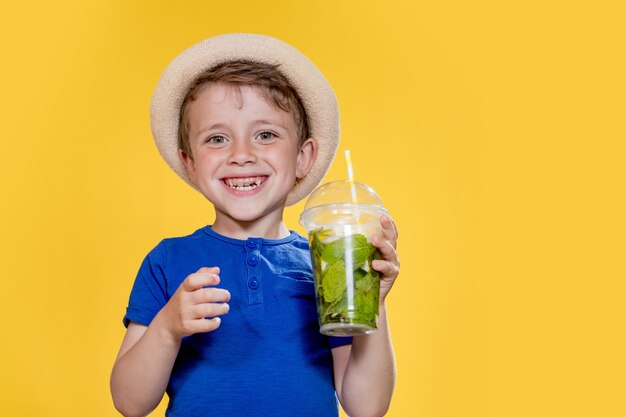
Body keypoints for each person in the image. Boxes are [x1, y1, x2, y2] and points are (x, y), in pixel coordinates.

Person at [110, 33, 400, 417]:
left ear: (303, 157)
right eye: (217, 138)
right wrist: (166, 329)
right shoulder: (167, 261)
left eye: (265, 135)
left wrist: (371, 302)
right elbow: (130, 403)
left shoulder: (326, 266)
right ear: (190, 162)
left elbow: (367, 407)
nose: (241, 155)